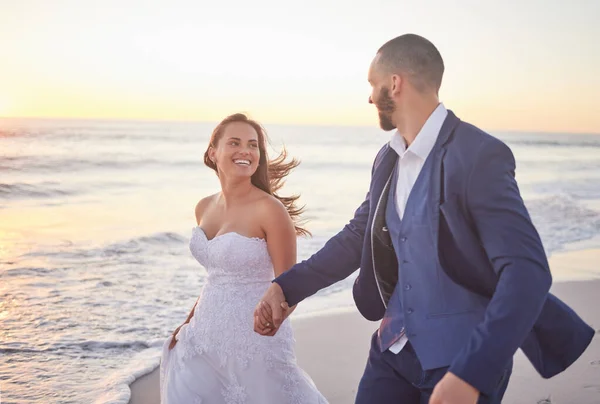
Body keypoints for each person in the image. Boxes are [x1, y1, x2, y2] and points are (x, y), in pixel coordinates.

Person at [254, 34, 594, 404]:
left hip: (461, 357)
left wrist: (471, 373)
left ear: (394, 83)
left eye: (373, 84)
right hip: (392, 350)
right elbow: (357, 237)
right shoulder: (388, 158)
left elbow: (527, 271)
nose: (370, 97)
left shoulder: (478, 155)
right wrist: (286, 288)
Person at [160, 113, 328, 404]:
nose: (245, 151)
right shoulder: (204, 207)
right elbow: (216, 277)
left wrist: (272, 324)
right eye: (234, 142)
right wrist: (187, 323)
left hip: (255, 340)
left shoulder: (271, 210)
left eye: (253, 145)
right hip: (203, 335)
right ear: (213, 152)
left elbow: (291, 284)